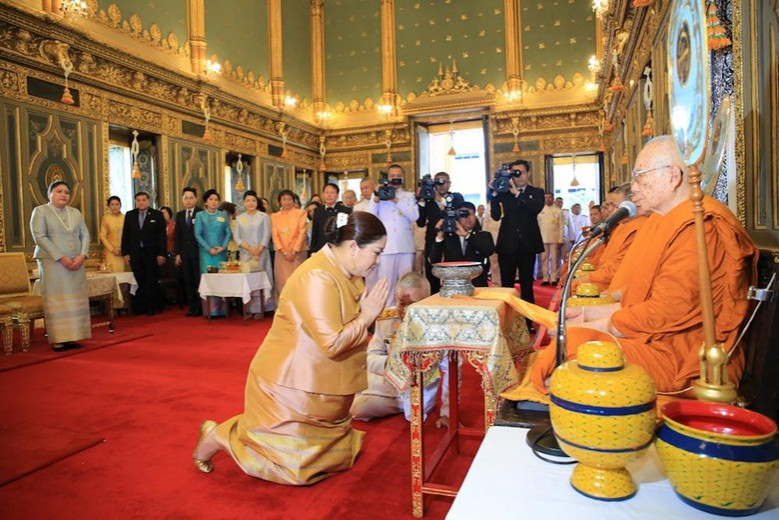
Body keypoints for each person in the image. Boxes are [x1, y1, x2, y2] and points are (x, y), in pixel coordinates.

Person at [530, 135, 758, 395]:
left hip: (687, 358)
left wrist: (594, 327)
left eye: (640, 175)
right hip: (658, 340)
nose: (634, 187)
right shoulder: (666, 222)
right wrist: (587, 315)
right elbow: (641, 295)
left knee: (570, 348)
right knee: (568, 344)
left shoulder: (699, 225)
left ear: (673, 175)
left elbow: (666, 311)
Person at [193, 212, 390, 485]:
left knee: (327, 457)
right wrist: (368, 316)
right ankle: (216, 435)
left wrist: (379, 313)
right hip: (291, 382)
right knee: (289, 464)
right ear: (354, 247)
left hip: (323, 381)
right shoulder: (318, 276)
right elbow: (332, 342)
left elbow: (349, 317)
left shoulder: (347, 270)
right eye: (377, 252)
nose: (378, 261)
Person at [351, 272, 439, 421]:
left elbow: (451, 371)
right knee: (349, 377)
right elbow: (370, 357)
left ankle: (402, 404)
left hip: (418, 388)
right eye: (401, 303)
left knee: (358, 407)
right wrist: (392, 364)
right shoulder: (387, 318)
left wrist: (447, 413)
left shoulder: (437, 325)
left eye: (412, 304)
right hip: (388, 379)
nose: (406, 310)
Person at [30, 180, 91, 352]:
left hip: (76, 262)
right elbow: (39, 237)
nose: (63, 194)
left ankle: (73, 336)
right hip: (52, 262)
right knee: (58, 300)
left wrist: (82, 255)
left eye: (66, 192)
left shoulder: (75, 212)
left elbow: (85, 235)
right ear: (50, 194)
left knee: (73, 300)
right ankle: (58, 340)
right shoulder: (41, 211)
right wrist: (61, 257)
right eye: (59, 191)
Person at [490, 159, 544, 309]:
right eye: (515, 173)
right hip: (507, 244)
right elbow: (495, 215)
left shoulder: (536, 192)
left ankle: (528, 320)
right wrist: (494, 193)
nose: (519, 176)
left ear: (528, 174)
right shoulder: (504, 193)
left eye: (521, 173)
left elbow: (534, 209)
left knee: (527, 284)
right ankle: (508, 317)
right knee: (507, 285)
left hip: (528, 244)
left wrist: (517, 194)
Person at [364, 164, 419, 305]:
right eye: (392, 176)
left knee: (406, 283)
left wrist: (395, 200)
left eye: (398, 176)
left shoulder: (408, 195)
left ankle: (405, 313)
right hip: (387, 247)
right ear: (387, 178)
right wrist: (376, 197)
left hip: (405, 246)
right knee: (386, 284)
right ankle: (386, 318)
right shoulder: (379, 195)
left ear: (403, 178)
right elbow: (370, 216)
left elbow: (414, 216)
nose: (395, 179)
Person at [416, 171, 463, 294]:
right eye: (438, 182)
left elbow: (458, 214)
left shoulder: (456, 197)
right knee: (432, 274)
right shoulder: (428, 200)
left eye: (444, 182)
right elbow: (420, 222)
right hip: (433, 240)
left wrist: (439, 200)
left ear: (449, 184)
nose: (441, 185)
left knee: (453, 274)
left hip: (452, 240)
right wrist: (421, 200)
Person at [429, 202, 495, 287]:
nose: (468, 218)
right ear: (456, 218)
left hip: (478, 284)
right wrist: (439, 237)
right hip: (452, 284)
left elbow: (489, 250)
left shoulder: (483, 235)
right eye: (463, 215)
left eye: (471, 214)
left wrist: (467, 235)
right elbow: (434, 260)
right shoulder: (448, 237)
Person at [121, 192, 166, 316]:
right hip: (135, 253)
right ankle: (140, 307)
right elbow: (125, 235)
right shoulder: (130, 215)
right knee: (138, 280)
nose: (141, 202)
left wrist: (162, 254)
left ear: (148, 201)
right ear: (136, 202)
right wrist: (125, 252)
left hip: (152, 254)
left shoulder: (157, 215)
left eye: (143, 200)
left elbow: (162, 236)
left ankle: (152, 307)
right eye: (138, 200)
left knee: (150, 280)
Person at [234, 190, 275, 315]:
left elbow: (267, 234)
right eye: (248, 201)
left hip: (261, 253)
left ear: (257, 203)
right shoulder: (240, 218)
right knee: (248, 281)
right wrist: (249, 248)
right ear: (244, 203)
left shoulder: (264, 216)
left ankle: (263, 308)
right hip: (246, 254)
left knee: (262, 280)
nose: (251, 203)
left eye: (253, 200)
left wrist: (259, 249)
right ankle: (249, 309)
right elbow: (237, 237)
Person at [195, 189, 232, 317]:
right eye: (211, 199)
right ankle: (210, 311)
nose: (213, 202)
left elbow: (228, 232)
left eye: (216, 199)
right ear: (206, 201)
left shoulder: (222, 215)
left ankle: (223, 310)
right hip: (207, 253)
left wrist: (223, 247)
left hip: (221, 252)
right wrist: (208, 248)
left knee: (221, 280)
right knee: (209, 280)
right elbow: (198, 234)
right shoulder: (200, 215)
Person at [271, 189, 308, 300]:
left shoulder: (300, 213)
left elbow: (302, 232)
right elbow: (275, 235)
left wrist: (294, 251)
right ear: (279, 201)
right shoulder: (275, 216)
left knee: (297, 280)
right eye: (284, 199)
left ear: (293, 201)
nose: (287, 202)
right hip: (281, 254)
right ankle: (283, 307)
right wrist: (283, 251)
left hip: (298, 252)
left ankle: (299, 306)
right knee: (282, 281)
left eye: (289, 199)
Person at [175, 187, 203, 317]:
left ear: (196, 199)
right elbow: (178, 236)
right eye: (186, 198)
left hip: (198, 252)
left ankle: (201, 307)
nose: (188, 200)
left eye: (191, 198)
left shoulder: (201, 213)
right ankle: (192, 307)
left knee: (199, 280)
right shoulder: (180, 215)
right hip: (185, 254)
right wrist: (178, 254)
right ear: (182, 200)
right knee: (188, 281)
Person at [310, 184, 351, 253]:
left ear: (337, 195)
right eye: (327, 192)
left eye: (332, 193)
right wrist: (313, 250)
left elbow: (345, 231)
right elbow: (315, 232)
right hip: (321, 248)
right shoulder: (318, 211)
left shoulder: (344, 210)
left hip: (338, 248)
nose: (329, 195)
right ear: (323, 194)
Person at [537, 192, 564, 285]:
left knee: (555, 259)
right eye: (546, 198)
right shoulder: (540, 211)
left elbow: (561, 226)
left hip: (555, 238)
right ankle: (545, 278)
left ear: (553, 199)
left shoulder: (558, 211)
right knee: (544, 259)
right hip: (543, 238)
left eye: (549, 197)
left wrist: (561, 239)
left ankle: (554, 277)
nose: (548, 199)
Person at [99, 195, 126, 273]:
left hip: (124, 252)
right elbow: (103, 236)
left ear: (120, 205)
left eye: (117, 204)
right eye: (112, 204)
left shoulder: (126, 217)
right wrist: (112, 249)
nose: (115, 207)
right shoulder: (106, 218)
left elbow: (129, 235)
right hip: (111, 252)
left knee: (124, 277)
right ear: (108, 206)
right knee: (112, 274)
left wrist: (123, 248)